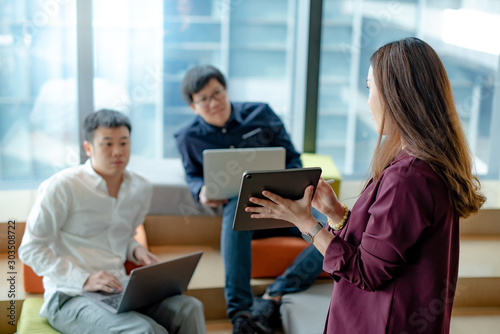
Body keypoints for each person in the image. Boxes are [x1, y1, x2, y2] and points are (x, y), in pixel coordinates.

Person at [246, 37, 486, 333]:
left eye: (370, 87)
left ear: (395, 95)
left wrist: (306, 223)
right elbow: (384, 246)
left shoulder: (408, 176)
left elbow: (366, 272)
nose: (368, 98)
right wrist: (335, 213)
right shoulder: (423, 162)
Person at [19, 109, 206, 334]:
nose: (117, 152)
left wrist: (136, 251)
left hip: (119, 289)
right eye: (107, 144)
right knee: (144, 330)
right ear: (88, 148)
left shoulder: (140, 187)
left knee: (189, 308)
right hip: (70, 295)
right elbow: (31, 249)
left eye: (124, 143)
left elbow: (122, 235)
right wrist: (84, 279)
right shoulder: (62, 187)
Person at [174, 65, 326, 334]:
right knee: (236, 204)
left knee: (336, 230)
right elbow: (192, 176)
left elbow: (293, 159)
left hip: (285, 208)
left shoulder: (261, 113)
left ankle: (272, 296)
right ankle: (241, 314)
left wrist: (285, 182)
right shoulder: (188, 137)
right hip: (243, 220)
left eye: (217, 93)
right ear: (192, 106)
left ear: (226, 89)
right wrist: (202, 191)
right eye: (203, 99)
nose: (213, 103)